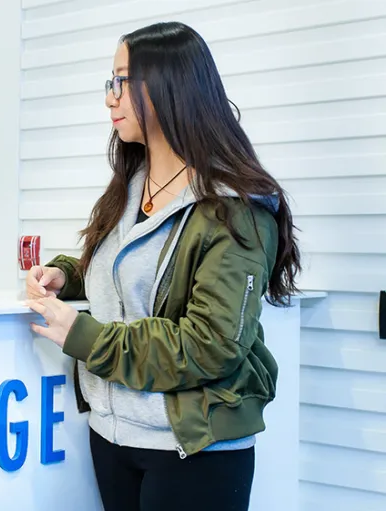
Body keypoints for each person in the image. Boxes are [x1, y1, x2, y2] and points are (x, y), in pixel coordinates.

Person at [24, 22, 301, 511]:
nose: (110, 98)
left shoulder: (236, 208)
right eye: (109, 82)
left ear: (170, 85)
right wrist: (68, 273)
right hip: (114, 435)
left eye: (121, 81)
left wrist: (86, 337)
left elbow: (212, 345)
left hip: (194, 447)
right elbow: (124, 270)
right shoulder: (131, 184)